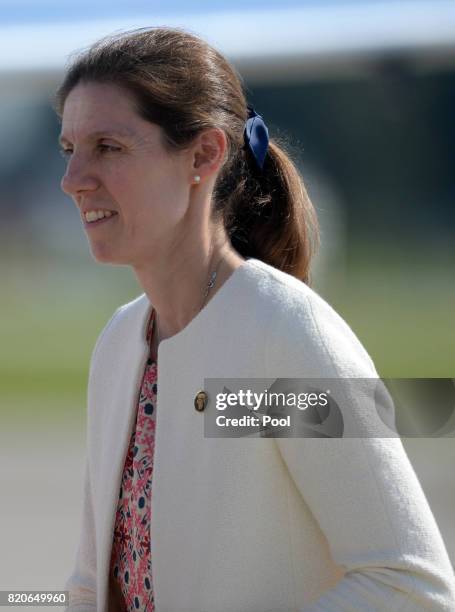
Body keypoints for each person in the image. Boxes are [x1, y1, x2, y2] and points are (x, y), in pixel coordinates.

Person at [54, 26, 455, 611]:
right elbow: (92, 588)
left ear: (204, 154)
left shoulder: (286, 333)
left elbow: (411, 586)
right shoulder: (118, 343)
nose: (73, 181)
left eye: (108, 147)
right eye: (69, 150)